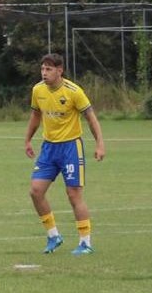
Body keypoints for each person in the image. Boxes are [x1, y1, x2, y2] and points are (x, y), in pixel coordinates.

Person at [24, 53, 106, 255]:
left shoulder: (74, 91)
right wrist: (27, 139)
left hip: (70, 147)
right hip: (48, 148)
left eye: (49, 69)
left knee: (73, 194)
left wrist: (100, 144)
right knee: (35, 191)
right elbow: (36, 115)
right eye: (42, 69)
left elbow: (91, 117)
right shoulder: (38, 90)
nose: (44, 73)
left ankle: (85, 242)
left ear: (60, 70)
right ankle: (53, 235)